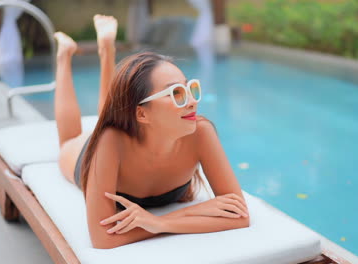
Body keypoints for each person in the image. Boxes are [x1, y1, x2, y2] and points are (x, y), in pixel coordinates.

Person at [54, 15, 249, 249]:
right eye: (176, 93)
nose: (191, 101)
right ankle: (65, 55)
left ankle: (106, 50)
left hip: (132, 143)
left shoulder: (201, 131)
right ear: (142, 114)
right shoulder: (111, 140)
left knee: (113, 114)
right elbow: (102, 238)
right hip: (86, 158)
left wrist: (160, 222)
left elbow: (239, 215)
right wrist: (179, 218)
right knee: (69, 141)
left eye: (190, 88)